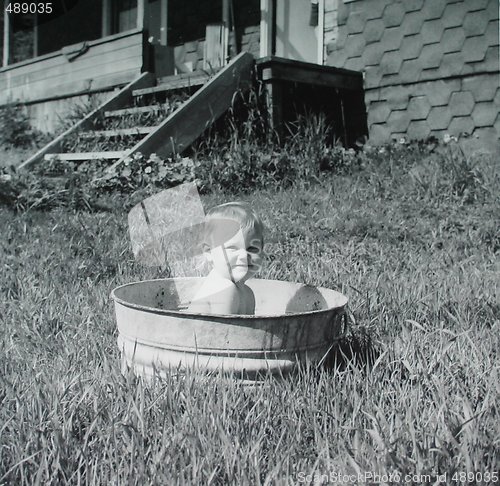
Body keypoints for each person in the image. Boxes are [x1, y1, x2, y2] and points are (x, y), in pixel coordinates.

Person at [188, 202, 264, 315]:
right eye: (232, 248)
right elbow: (224, 332)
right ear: (208, 252)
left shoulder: (248, 293)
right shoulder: (224, 288)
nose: (244, 256)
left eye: (252, 248)